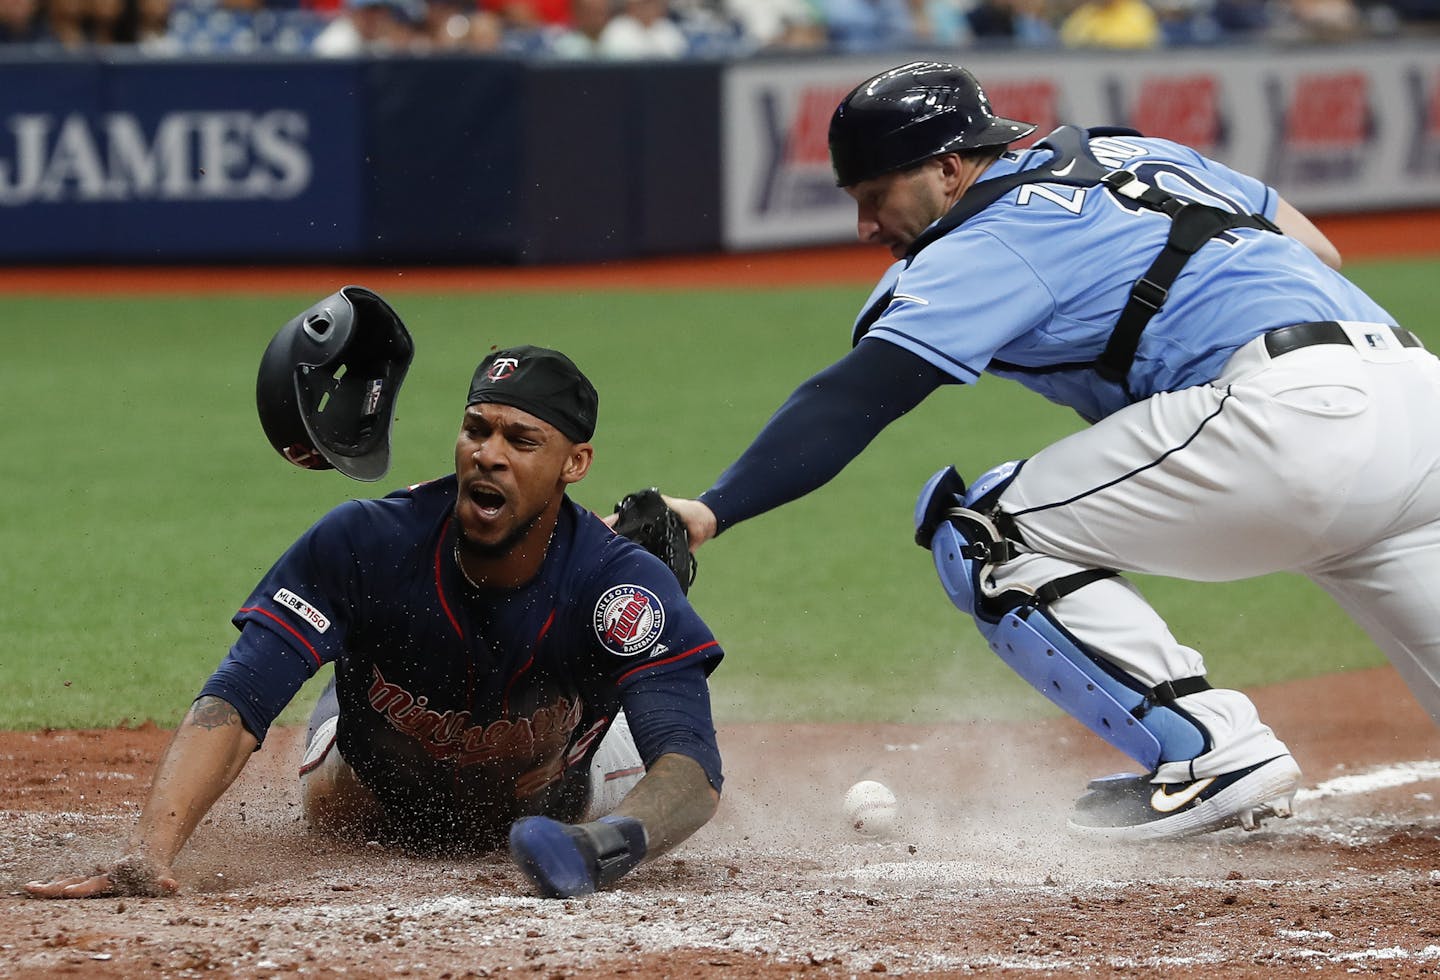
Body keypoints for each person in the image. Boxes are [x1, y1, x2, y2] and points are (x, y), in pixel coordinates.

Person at [649, 61, 1440, 842]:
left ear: (948, 169)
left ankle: (1209, 750)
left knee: (989, 528)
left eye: (874, 195)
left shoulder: (990, 239)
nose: (865, 226)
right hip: (1416, 398)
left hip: (1294, 417)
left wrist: (713, 509)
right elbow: (1317, 249)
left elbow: (855, 397)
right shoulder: (1136, 152)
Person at [26, 292, 724, 900]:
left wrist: (596, 848)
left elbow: (692, 767)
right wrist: (149, 854)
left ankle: (627, 605)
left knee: (632, 682)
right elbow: (236, 701)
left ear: (575, 463)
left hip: (564, 784)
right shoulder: (367, 542)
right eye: (476, 429)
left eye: (521, 439)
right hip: (370, 788)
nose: (488, 453)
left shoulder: (617, 587)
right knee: (335, 803)